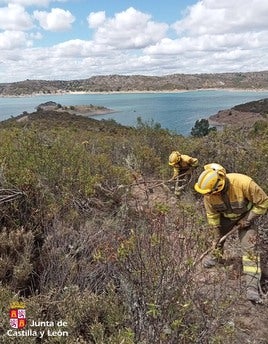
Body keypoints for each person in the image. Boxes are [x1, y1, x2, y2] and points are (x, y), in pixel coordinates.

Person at [194, 163, 268, 303]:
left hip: (247, 218)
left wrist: (248, 219)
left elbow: (263, 202)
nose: (208, 196)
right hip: (225, 218)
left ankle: (252, 287)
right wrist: (216, 234)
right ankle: (216, 257)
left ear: (219, 186)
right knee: (217, 240)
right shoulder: (209, 194)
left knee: (249, 250)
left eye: (211, 193)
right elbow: (212, 216)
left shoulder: (244, 183)